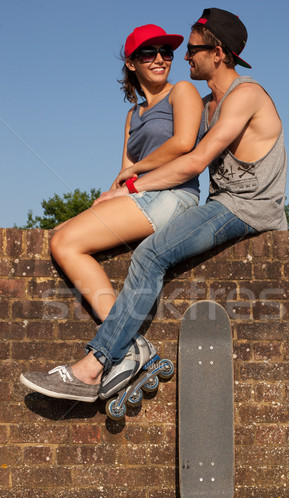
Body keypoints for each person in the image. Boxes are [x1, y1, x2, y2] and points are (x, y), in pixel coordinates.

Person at [20, 8, 287, 403]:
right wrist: (124, 186)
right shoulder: (208, 104)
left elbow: (192, 160)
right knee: (73, 237)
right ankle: (124, 352)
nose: (183, 57)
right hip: (221, 203)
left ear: (217, 53)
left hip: (249, 207)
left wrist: (132, 186)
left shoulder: (246, 94)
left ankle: (93, 368)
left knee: (150, 255)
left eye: (191, 49)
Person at [49, 24, 203, 323]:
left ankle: (120, 340)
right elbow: (124, 174)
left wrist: (136, 169)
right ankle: (121, 337)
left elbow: (183, 143)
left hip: (173, 195)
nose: (160, 59)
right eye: (148, 53)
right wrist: (101, 202)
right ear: (131, 63)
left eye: (166, 52)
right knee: (62, 234)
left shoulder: (182, 91)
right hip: (142, 196)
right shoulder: (133, 114)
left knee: (66, 242)